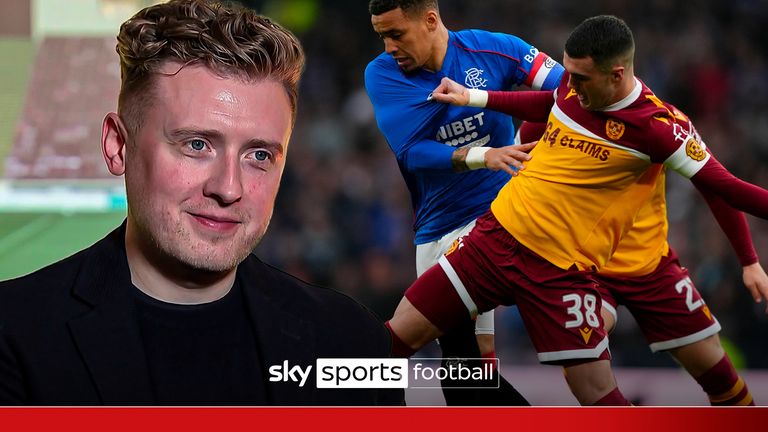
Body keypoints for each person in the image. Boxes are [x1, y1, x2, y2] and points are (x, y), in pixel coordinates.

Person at [0, 0, 402, 406]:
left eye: (259, 155)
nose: (228, 188)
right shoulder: (15, 333)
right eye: (197, 145)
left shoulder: (350, 340)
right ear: (118, 145)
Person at [386, 14, 768, 405]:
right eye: (568, 74)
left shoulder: (660, 127)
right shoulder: (573, 88)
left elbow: (728, 189)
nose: (570, 86)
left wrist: (749, 260)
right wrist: (476, 97)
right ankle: (334, 407)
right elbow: (549, 102)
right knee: (394, 340)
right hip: (492, 240)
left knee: (600, 392)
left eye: (582, 79)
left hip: (566, 270)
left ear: (616, 75)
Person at [365, 0, 563, 405]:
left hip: (492, 221)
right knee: (466, 373)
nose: (388, 47)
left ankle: (321, 387)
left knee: (416, 353)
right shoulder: (382, 75)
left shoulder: (492, 49)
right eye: (381, 36)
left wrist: (526, 129)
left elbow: (567, 90)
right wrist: (484, 155)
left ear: (431, 20)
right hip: (435, 230)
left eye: (396, 34)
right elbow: (413, 153)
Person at [515, 121, 768, 406]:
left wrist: (749, 261)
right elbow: (516, 163)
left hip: (652, 267)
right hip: (585, 271)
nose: (577, 84)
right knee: (588, 380)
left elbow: (716, 185)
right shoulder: (562, 109)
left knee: (719, 376)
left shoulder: (665, 122)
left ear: (618, 75)